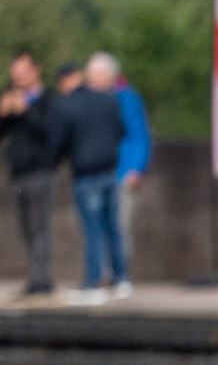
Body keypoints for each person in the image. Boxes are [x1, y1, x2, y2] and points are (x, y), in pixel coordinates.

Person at [50, 52, 127, 306]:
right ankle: (121, 279)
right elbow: (119, 132)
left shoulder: (67, 104)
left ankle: (94, 281)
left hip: (86, 175)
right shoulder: (109, 100)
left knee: (92, 229)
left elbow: (58, 143)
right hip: (109, 171)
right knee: (112, 228)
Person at [0, 50, 56, 298]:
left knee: (39, 227)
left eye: (23, 73)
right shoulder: (10, 96)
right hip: (17, 173)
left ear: (35, 70)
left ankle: (41, 279)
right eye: (15, 74)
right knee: (25, 228)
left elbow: (48, 131)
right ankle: (35, 275)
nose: (18, 79)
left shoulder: (47, 98)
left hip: (41, 172)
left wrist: (26, 110)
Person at [104, 57, 148, 276]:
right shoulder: (102, 97)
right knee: (101, 228)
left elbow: (139, 134)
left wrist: (135, 168)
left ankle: (120, 275)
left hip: (123, 172)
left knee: (120, 227)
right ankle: (104, 275)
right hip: (103, 171)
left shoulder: (126, 97)